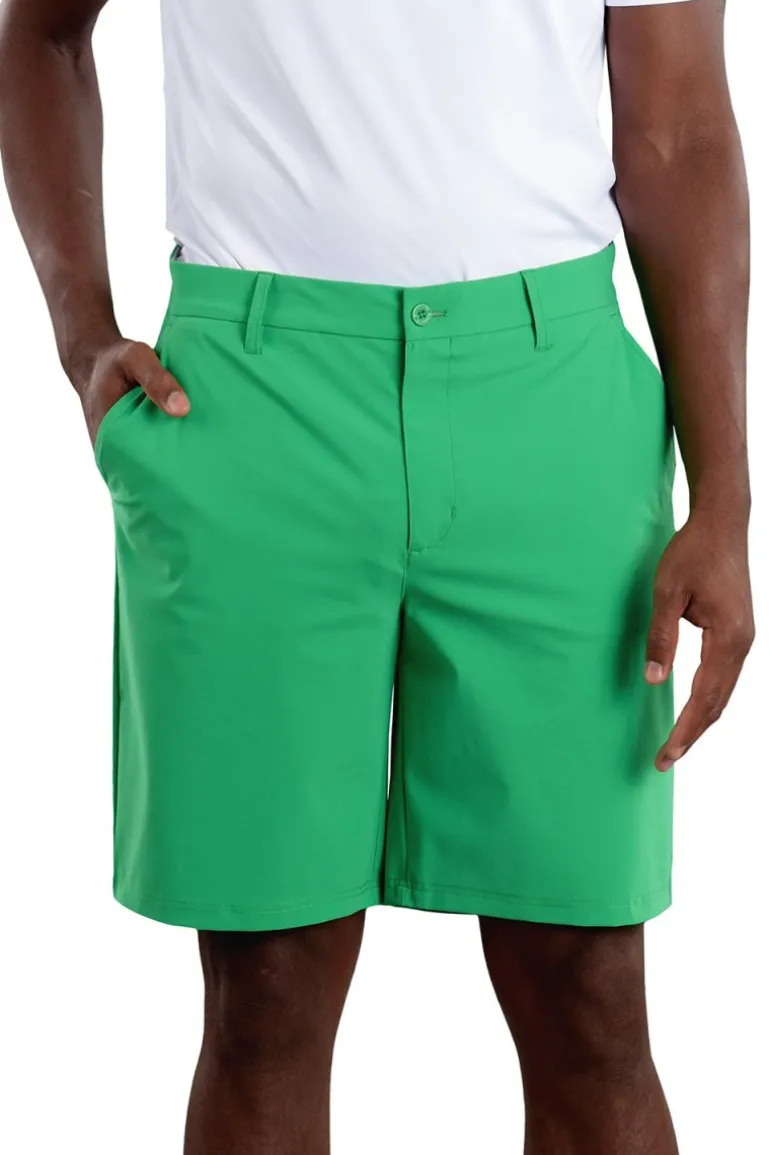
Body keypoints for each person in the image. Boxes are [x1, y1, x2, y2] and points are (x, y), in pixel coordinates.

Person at [0, 1, 754, 1152]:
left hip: (551, 410)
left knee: (589, 986)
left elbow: (677, 129)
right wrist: (79, 332)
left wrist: (725, 496)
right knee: (266, 990)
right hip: (252, 402)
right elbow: (41, 32)